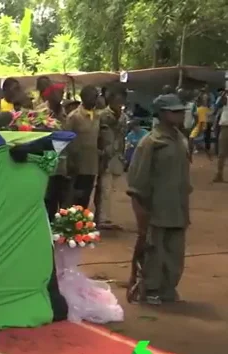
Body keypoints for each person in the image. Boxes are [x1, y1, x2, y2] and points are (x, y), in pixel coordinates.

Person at [127, 94, 191, 305]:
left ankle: (167, 287)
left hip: (178, 206)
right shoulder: (151, 143)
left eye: (181, 111)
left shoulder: (181, 139)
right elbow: (136, 181)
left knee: (175, 251)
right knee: (154, 251)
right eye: (175, 111)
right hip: (156, 207)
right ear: (162, 114)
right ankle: (151, 288)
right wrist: (140, 211)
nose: (180, 114)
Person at [96, 86, 128, 229]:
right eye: (117, 100)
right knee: (105, 188)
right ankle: (102, 218)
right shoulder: (103, 115)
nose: (119, 103)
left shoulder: (124, 117)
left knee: (113, 188)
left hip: (118, 155)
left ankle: (108, 217)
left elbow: (123, 135)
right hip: (105, 154)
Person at [64, 86, 100, 209]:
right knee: (74, 198)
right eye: (93, 96)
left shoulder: (97, 116)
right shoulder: (74, 117)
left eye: (97, 96)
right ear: (84, 97)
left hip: (91, 164)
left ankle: (82, 225)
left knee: (85, 198)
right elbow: (66, 140)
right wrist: (70, 162)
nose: (96, 100)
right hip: (77, 165)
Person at [39, 83, 70, 219]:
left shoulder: (66, 113)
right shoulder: (40, 112)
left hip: (62, 163)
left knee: (62, 198)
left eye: (62, 93)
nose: (61, 96)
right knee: (47, 199)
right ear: (50, 94)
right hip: (45, 162)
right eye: (58, 92)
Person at [214, 90, 228, 182]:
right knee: (222, 153)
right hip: (225, 127)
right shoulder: (226, 98)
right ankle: (219, 175)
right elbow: (217, 105)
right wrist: (224, 93)